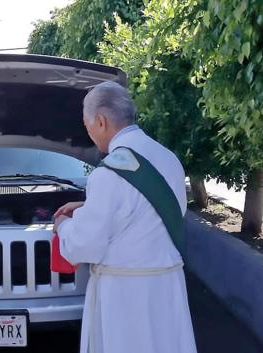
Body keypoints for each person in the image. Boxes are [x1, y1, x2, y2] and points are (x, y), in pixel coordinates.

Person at [53, 81, 197, 353]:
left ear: (101, 121)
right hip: (167, 286)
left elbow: (84, 246)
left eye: (87, 126)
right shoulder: (168, 159)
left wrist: (64, 225)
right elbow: (140, 214)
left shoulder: (108, 174)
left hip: (126, 295)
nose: (89, 133)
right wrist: (86, 206)